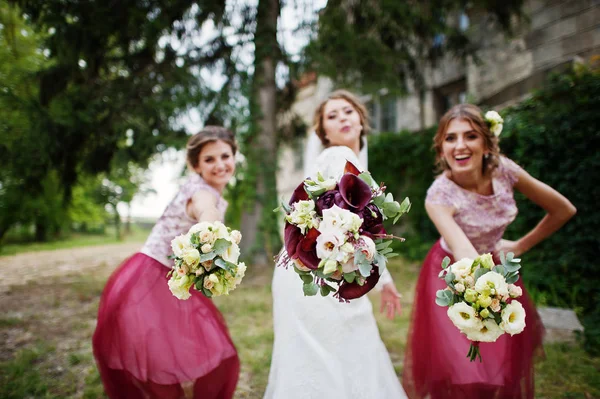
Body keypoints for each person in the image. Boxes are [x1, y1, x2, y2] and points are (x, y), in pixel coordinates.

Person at [402, 104, 577, 399]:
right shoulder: (439, 195)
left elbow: (563, 209)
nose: (460, 145)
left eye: (470, 136)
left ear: (486, 143)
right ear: (441, 149)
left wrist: (520, 245)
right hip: (451, 274)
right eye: (450, 138)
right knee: (463, 369)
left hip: (496, 269)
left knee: (497, 367)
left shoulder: (505, 172)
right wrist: (491, 288)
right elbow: (463, 250)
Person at [264, 90, 408, 398]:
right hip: (317, 272)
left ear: (360, 119)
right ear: (323, 132)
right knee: (340, 347)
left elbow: (362, 231)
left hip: (318, 267)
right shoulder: (337, 157)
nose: (342, 118)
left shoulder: (352, 162)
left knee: (329, 353)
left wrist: (385, 281)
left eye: (347, 111)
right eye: (332, 116)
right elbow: (345, 226)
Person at [93, 126, 240, 399]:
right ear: (195, 165)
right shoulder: (201, 192)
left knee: (212, 354)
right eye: (209, 160)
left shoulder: (212, 192)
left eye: (225, 156)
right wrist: (211, 229)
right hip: (148, 281)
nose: (220, 165)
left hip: (170, 279)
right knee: (159, 364)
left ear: (234, 156)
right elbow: (205, 209)